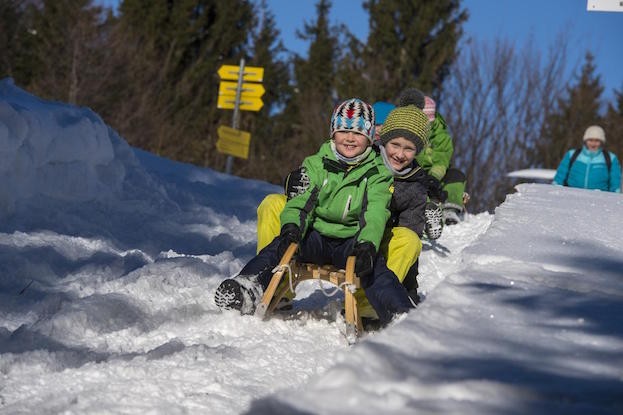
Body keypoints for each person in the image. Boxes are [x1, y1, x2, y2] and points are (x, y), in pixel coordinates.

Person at [215, 98, 415, 325]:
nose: (350, 138)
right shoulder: (316, 164)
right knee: (279, 248)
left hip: (351, 241)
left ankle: (399, 313)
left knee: (376, 269)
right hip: (315, 236)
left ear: (369, 138)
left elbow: (376, 212)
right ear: (333, 133)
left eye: (358, 133)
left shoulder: (377, 172)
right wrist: (292, 228)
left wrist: (367, 244)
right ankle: (249, 286)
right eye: (343, 130)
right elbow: (302, 201)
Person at [399, 88, 469, 227]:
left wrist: (434, 177)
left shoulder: (441, 135)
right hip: (416, 173)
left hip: (437, 175)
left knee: (456, 176)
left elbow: (443, 158)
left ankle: (450, 208)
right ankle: (423, 210)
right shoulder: (410, 134)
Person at [552, 125, 621, 192]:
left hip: (600, 198)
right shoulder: (572, 154)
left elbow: (615, 180)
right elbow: (561, 174)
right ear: (585, 140)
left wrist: (615, 193)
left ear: (601, 142)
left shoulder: (610, 158)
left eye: (597, 141)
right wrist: (555, 188)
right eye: (590, 140)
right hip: (571, 195)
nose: (593, 144)